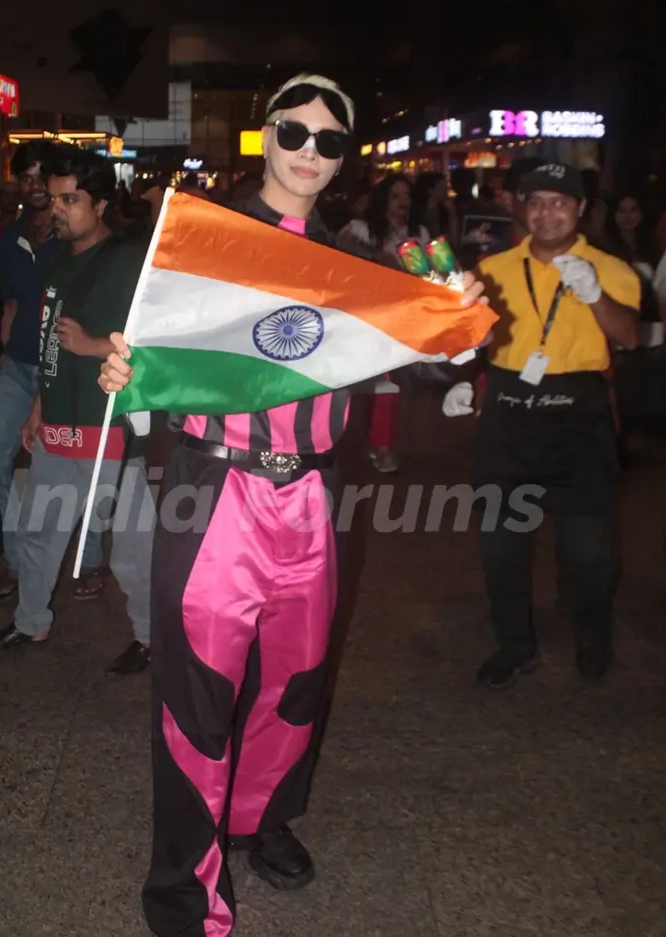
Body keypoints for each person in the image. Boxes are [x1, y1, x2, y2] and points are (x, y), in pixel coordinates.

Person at [98, 72, 485, 937]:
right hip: (215, 487)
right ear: (266, 135)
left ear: (344, 157)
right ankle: (186, 890)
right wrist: (128, 371)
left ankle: (261, 819)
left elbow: (421, 359)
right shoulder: (208, 242)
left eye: (330, 139)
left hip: (311, 491)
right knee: (197, 694)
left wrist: (461, 326)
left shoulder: (356, 263)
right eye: (294, 131)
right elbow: (152, 358)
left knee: (296, 683)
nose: (310, 151)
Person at [0, 148, 154, 677]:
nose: (58, 209)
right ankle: (31, 620)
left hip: (112, 427)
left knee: (128, 548)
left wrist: (95, 346)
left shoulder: (129, 261)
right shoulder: (57, 260)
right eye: (54, 198)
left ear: (99, 203)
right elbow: (52, 350)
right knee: (38, 529)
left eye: (70, 199)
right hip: (60, 422)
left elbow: (161, 349)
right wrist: (38, 406)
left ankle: (151, 637)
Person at [470, 163, 640, 689]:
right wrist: (466, 373)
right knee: (501, 545)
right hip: (508, 411)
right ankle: (514, 644)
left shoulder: (610, 268)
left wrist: (593, 295)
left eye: (560, 202)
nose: (547, 213)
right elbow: (478, 338)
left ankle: (592, 631)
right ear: (521, 206)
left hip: (579, 416)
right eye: (536, 201)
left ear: (581, 208)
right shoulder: (492, 267)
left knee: (589, 549)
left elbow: (630, 337)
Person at [0, 141, 102, 605]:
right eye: (26, 177)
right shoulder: (9, 239)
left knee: (76, 463)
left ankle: (87, 557)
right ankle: (15, 559)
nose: (33, 185)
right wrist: (1, 363)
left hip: (65, 368)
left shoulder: (71, 236)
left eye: (40, 177)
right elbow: (10, 305)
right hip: (18, 366)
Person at [340, 173, 428, 473]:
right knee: (359, 386)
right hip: (364, 317)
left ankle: (382, 445)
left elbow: (425, 275)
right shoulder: (360, 230)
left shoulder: (418, 232)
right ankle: (361, 443)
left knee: (390, 383)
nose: (403, 202)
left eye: (407, 196)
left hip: (402, 318)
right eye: (396, 196)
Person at [605, 193, 663, 346]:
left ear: (641, 214)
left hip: (651, 322)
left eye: (633, 210)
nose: (627, 216)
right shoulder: (604, 248)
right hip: (620, 321)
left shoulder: (652, 246)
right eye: (622, 211)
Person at [411, 170, 454, 242]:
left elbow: (453, 241)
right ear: (430, 190)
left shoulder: (443, 211)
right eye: (441, 187)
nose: (446, 190)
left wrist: (452, 214)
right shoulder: (419, 213)